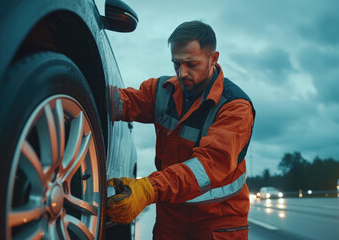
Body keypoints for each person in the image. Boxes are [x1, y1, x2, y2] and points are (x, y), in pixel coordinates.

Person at [108, 20, 255, 239]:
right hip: (171, 218)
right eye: (176, 63)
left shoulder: (235, 108)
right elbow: (122, 102)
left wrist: (149, 188)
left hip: (218, 220)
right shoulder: (162, 91)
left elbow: (207, 167)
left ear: (213, 59)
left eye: (191, 64)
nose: (182, 73)